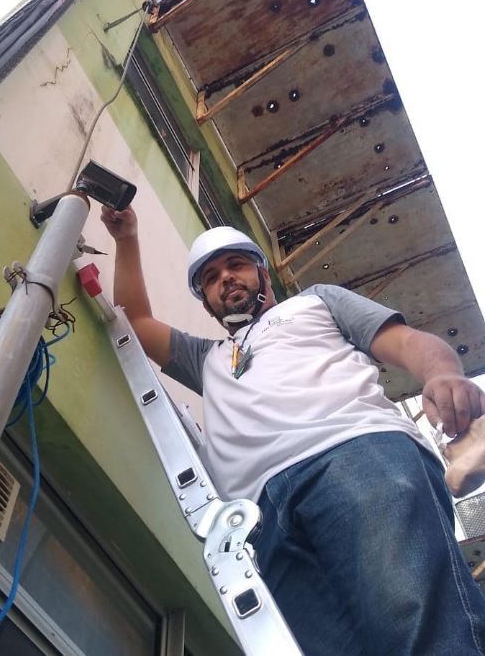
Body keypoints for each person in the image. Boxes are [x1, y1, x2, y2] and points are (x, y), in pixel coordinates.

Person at [101, 205, 485, 656]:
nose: (225, 278)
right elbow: (135, 321)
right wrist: (126, 237)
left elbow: (407, 341)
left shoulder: (316, 302)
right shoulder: (205, 359)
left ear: (262, 274)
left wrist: (441, 374)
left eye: (236, 265)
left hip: (354, 456)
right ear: (206, 302)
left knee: (419, 625)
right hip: (259, 518)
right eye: (211, 278)